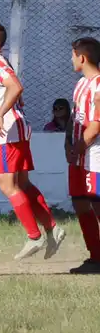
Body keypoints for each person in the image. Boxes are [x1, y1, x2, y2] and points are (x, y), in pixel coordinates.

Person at [0, 20, 64, 259]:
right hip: (15, 127)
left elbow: (15, 87)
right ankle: (52, 228)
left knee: (8, 185)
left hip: (8, 130)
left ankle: (33, 236)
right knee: (23, 184)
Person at [67, 38, 100, 274]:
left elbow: (97, 123)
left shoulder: (99, 85)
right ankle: (95, 257)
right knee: (80, 203)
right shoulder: (80, 85)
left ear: (82, 57)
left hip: (95, 155)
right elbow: (73, 119)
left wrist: (81, 144)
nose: (71, 60)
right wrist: (68, 144)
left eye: (72, 55)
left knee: (97, 206)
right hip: (78, 155)